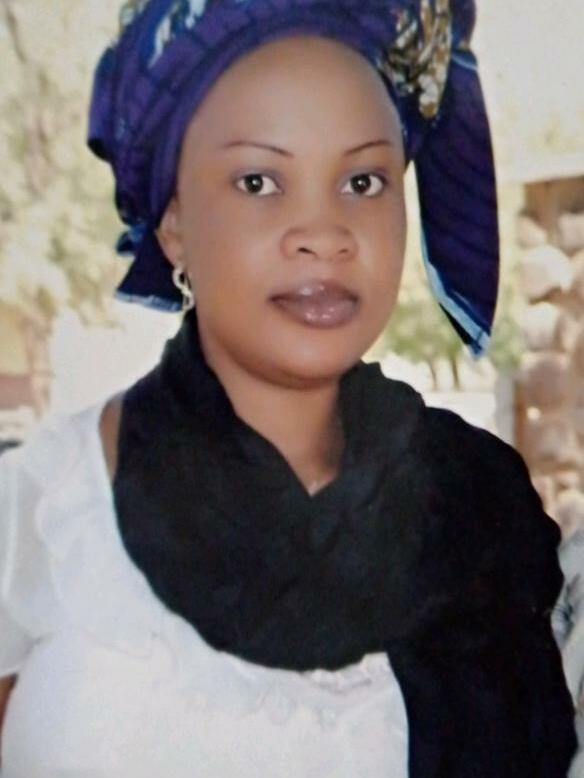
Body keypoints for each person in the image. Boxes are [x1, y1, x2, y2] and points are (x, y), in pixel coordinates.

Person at [0, 0, 580, 775]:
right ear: (173, 220)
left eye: (363, 180)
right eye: (258, 180)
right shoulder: (42, 513)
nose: (324, 232)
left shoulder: (481, 508)